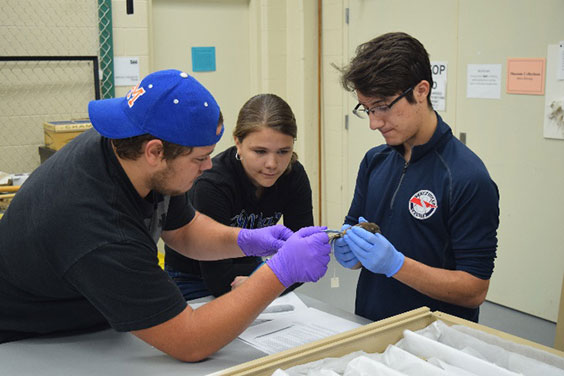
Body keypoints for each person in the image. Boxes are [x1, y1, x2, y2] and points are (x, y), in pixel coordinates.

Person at [0, 69, 331, 362]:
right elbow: (190, 341)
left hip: (91, 320)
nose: (209, 167)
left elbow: (183, 230)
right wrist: (279, 272)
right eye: (200, 158)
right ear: (155, 152)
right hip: (32, 342)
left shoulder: (128, 147)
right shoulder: (98, 226)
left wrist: (246, 241)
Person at [333, 32, 499, 323]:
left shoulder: (467, 178)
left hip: (436, 342)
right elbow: (354, 227)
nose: (374, 122)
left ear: (421, 91)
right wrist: (348, 247)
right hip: (371, 327)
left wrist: (395, 264)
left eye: (383, 106)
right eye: (367, 109)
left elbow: (474, 290)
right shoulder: (375, 161)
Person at [164, 93, 313, 299]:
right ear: (238, 143)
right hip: (192, 278)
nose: (272, 164)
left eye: (283, 151)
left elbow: (304, 257)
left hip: (250, 269)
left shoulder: (293, 175)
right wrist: (274, 277)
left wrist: (263, 279)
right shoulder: (212, 183)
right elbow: (218, 281)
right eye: (260, 151)